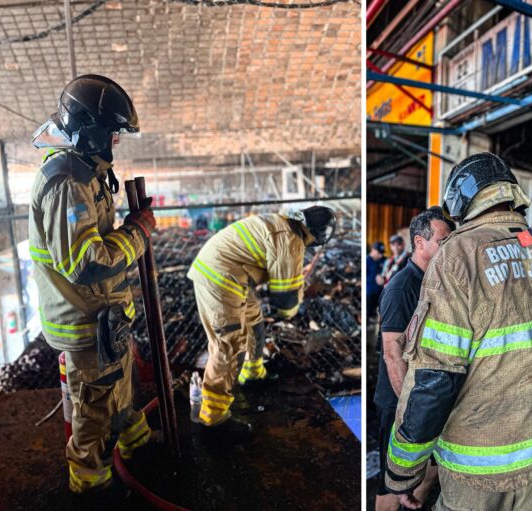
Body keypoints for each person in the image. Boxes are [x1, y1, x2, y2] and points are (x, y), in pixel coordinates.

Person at [385, 153, 532, 511]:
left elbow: (434, 381)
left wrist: (402, 471)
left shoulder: (458, 256)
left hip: (476, 465)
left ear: (461, 202)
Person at [29, 75, 156, 494]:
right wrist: (137, 232)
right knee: (95, 407)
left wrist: (130, 229)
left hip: (102, 315)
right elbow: (85, 263)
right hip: (83, 322)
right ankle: (90, 482)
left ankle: (136, 443)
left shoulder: (84, 170)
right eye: (113, 134)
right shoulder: (67, 182)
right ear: (91, 132)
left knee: (119, 388)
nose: (116, 142)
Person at [187, 206, 336, 430]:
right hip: (221, 280)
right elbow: (286, 297)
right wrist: (287, 313)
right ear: (318, 234)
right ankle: (213, 418)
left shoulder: (284, 224)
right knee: (229, 345)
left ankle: (253, 373)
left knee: (255, 322)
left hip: (235, 276)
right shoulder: (291, 240)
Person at [375, 206, 454, 511]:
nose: (448, 248)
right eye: (442, 241)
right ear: (420, 242)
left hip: (427, 398)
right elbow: (393, 356)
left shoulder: (435, 283)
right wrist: (409, 412)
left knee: (429, 468)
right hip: (401, 401)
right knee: (393, 481)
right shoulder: (401, 288)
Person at [367, 241, 385, 318]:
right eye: (379, 253)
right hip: (369, 294)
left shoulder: (384, 260)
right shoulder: (366, 261)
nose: (381, 255)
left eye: (382, 253)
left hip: (381, 294)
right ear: (373, 250)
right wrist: (375, 278)